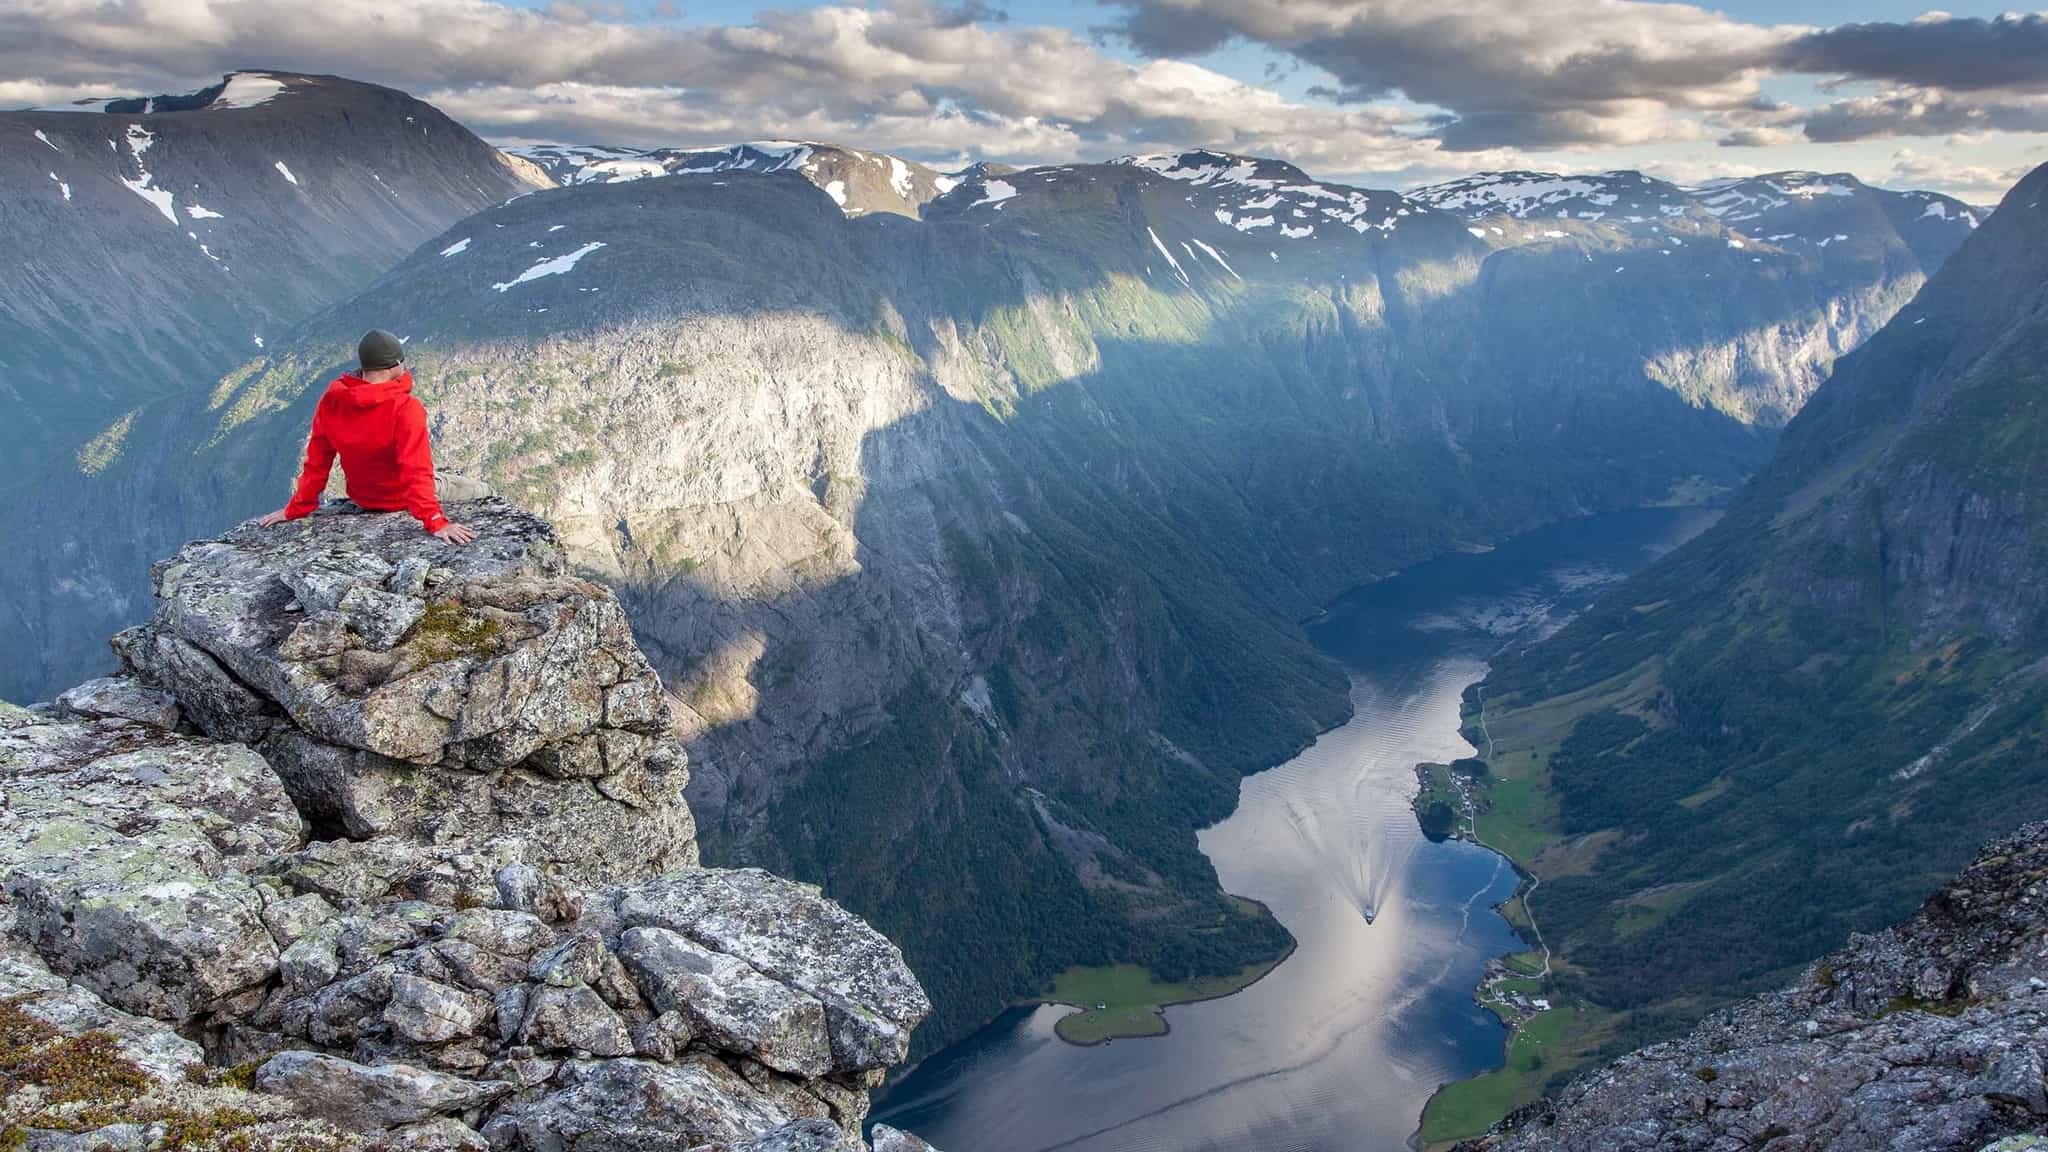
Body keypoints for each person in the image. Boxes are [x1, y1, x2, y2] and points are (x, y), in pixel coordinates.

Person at [260, 330, 476, 544]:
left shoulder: (333, 400)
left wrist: (297, 508)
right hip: (399, 499)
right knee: (481, 489)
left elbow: (317, 463)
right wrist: (436, 521)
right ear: (395, 365)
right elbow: (415, 470)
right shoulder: (405, 408)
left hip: (362, 497)